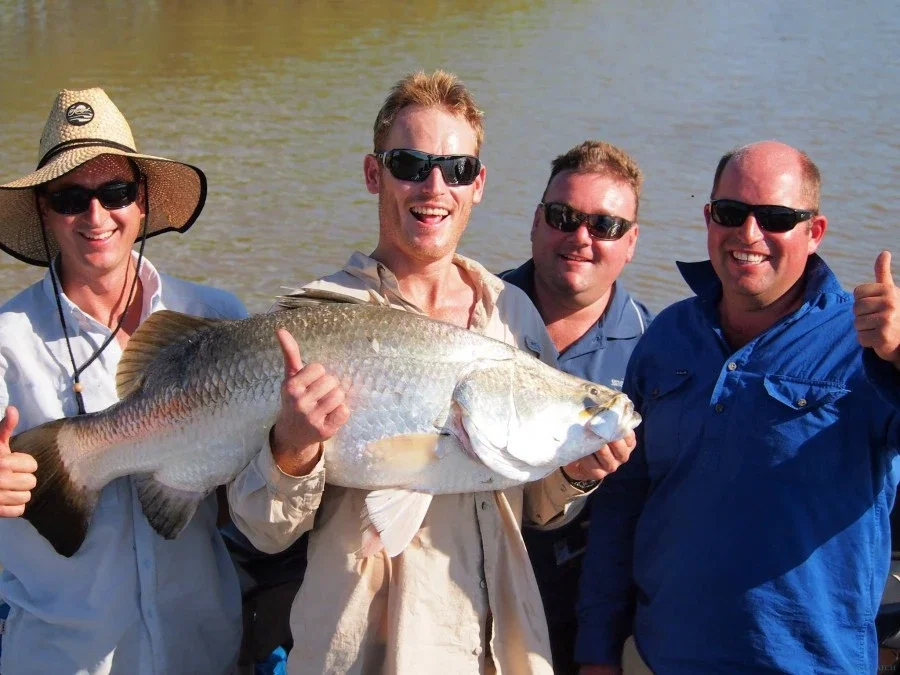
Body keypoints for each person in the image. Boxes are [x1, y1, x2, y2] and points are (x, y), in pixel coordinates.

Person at [228, 70, 637, 674]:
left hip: (505, 654)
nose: (435, 186)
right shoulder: (309, 323)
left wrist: (574, 472)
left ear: (479, 185)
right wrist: (291, 451)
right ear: (374, 174)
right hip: (366, 655)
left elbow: (534, 505)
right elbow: (262, 530)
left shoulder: (514, 313)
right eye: (410, 164)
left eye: (457, 169)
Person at [576, 141, 900, 674]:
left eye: (776, 218)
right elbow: (622, 504)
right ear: (709, 218)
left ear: (814, 232)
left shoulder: (866, 345)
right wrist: (596, 651)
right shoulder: (667, 335)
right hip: (659, 658)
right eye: (731, 212)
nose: (749, 234)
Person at [0, 88, 247, 674]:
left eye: (115, 193)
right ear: (44, 211)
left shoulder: (218, 315)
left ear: (142, 201)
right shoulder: (5, 339)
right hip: (61, 660)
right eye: (70, 198)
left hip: (202, 651)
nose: (96, 216)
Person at [499, 140, 652, 674]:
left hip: (578, 623)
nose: (581, 237)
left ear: (631, 242)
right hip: (460, 592)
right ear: (536, 222)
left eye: (606, 226)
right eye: (563, 217)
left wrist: (602, 651)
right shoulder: (468, 313)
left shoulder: (657, 352)